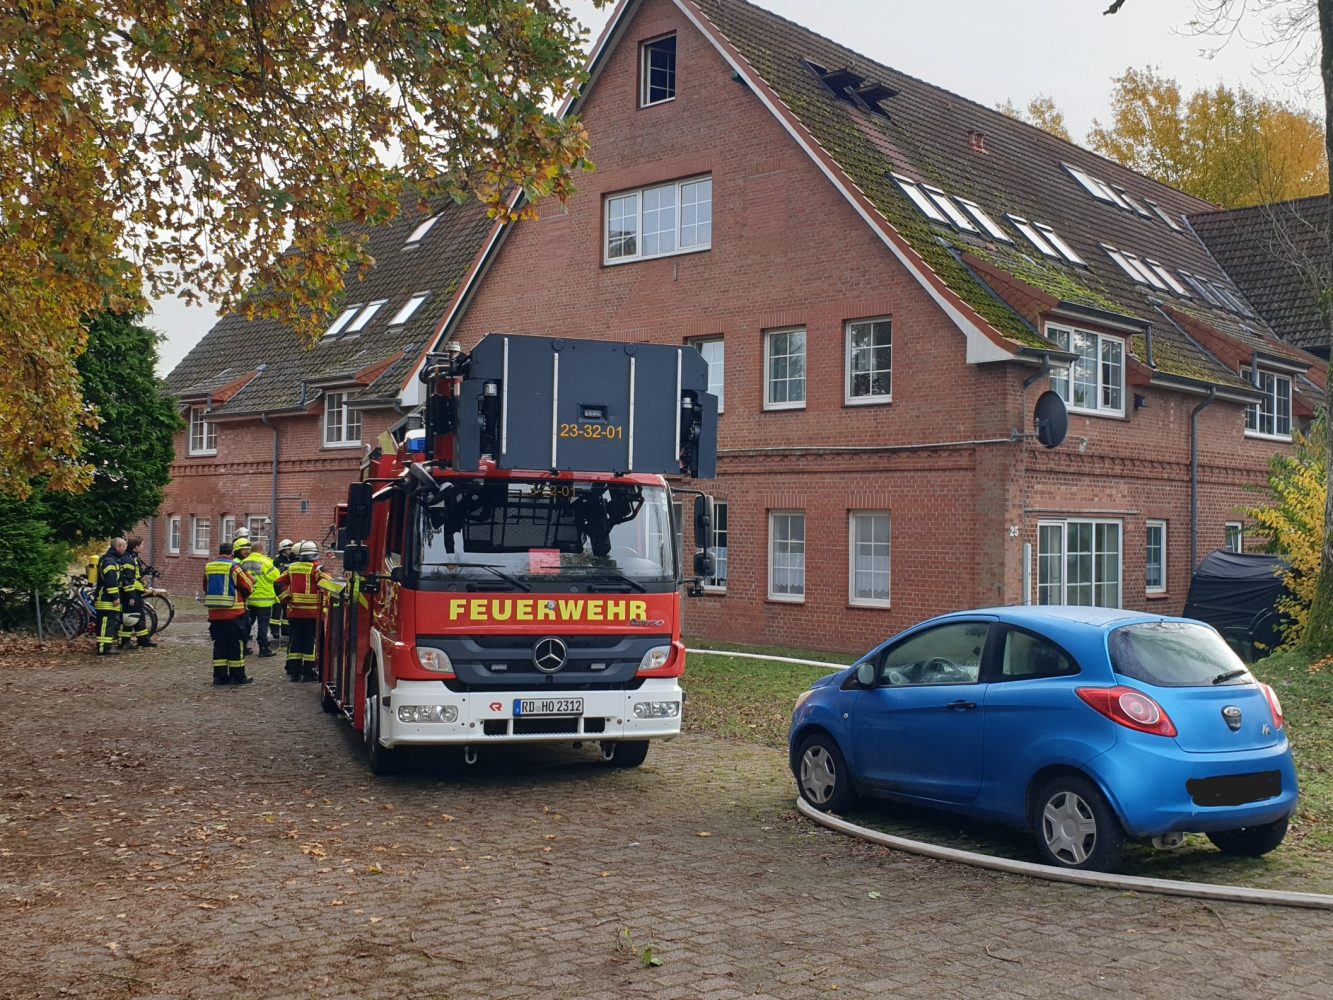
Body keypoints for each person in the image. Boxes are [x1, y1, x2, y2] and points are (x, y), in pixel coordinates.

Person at [275, 540, 330, 682]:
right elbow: (329, 585)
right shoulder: (317, 568)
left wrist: (285, 597)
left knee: (296, 641)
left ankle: (294, 672)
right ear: (315, 554)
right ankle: (308, 672)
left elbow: (278, 582)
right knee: (310, 642)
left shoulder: (292, 567)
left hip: (294, 612)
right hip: (313, 613)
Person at [203, 541, 256, 686]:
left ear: (219, 552)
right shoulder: (235, 567)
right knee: (236, 644)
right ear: (232, 553)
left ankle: (219, 677)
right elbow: (248, 586)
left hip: (215, 614)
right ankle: (237, 676)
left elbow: (205, 586)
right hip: (234, 613)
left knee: (219, 644)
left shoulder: (209, 567)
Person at [238, 540, 281, 658]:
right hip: (263, 599)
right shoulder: (266, 562)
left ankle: (243, 646)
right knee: (263, 624)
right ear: (262, 550)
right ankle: (263, 648)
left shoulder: (244, 562)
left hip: (249, 597)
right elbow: (276, 577)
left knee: (247, 623)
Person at [118, 536, 157, 649]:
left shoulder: (133, 558)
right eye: (142, 545)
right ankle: (126, 642)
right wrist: (132, 595)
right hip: (129, 593)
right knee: (130, 617)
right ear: (135, 547)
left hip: (134, 592)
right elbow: (129, 579)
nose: (143, 547)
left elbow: (136, 575)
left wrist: (145, 572)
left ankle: (142, 640)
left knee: (137, 616)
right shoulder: (127, 559)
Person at [92, 537, 127, 656]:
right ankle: (103, 648)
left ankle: (106, 646)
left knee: (108, 623)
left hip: (107, 597)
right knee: (105, 623)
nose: (125, 548)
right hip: (106, 598)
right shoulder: (110, 561)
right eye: (123, 546)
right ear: (117, 547)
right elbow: (110, 581)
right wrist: (115, 597)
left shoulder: (112, 559)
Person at [270, 538, 295, 644]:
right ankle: (275, 632)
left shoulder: (293, 560)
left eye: (291, 549)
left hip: (288, 589)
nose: (290, 551)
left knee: (286, 612)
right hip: (278, 589)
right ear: (282, 550)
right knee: (276, 612)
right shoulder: (277, 561)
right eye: (288, 549)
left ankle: (285, 631)